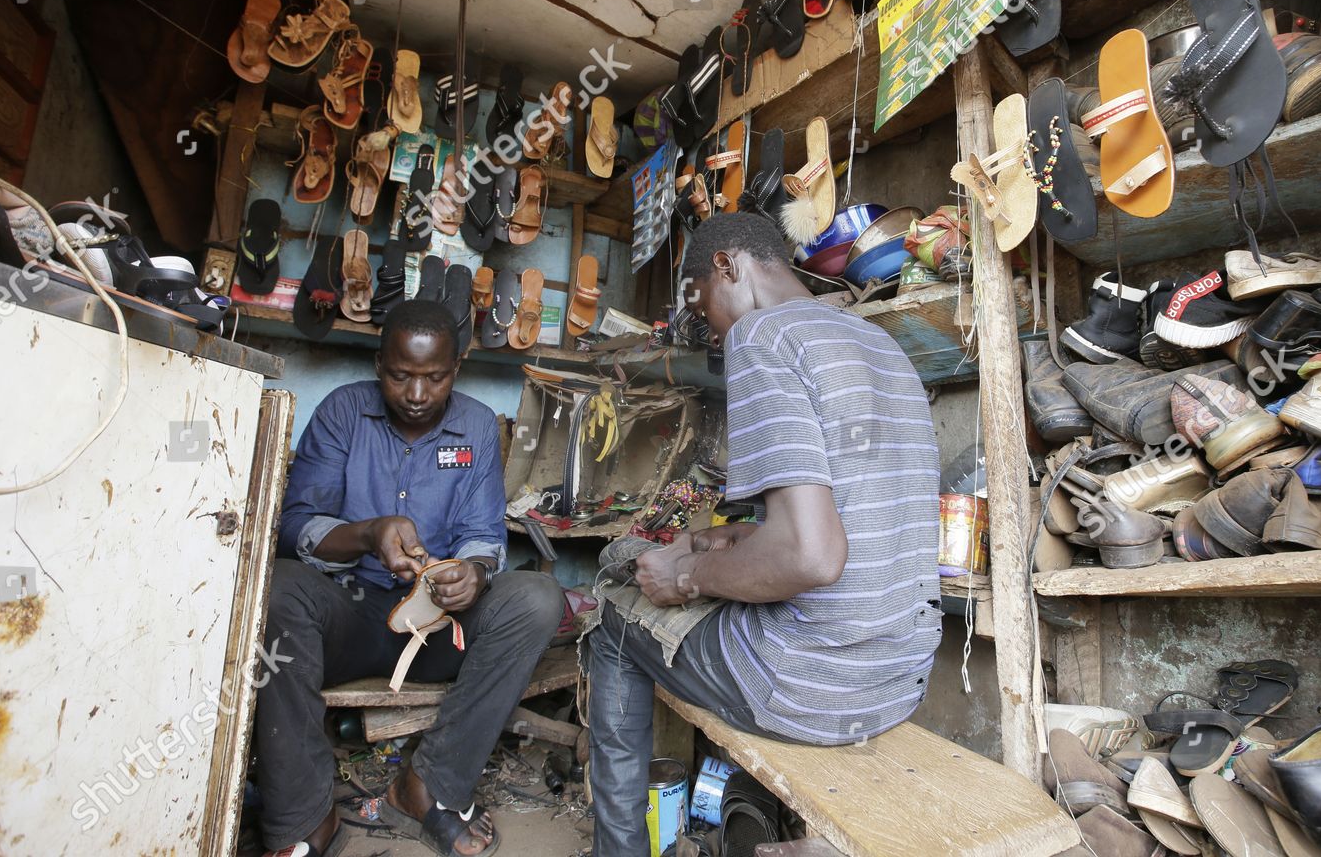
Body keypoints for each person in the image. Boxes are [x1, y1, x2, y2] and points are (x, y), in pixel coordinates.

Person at [587, 213, 943, 856]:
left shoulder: (761, 335)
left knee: (613, 621)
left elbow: (809, 556)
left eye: (703, 305)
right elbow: (843, 518)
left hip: (815, 685)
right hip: (899, 678)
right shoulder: (877, 341)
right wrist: (720, 542)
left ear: (727, 266)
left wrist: (683, 575)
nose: (713, 330)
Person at [255, 299, 562, 857]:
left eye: (435, 377)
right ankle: (306, 816)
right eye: (401, 376)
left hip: (439, 626)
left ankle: (427, 787)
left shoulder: (474, 426)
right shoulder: (343, 413)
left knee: (538, 597)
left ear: (457, 368)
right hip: (348, 618)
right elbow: (295, 527)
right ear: (379, 365)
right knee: (277, 588)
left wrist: (473, 572)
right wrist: (368, 533)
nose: (417, 394)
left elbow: (484, 538)